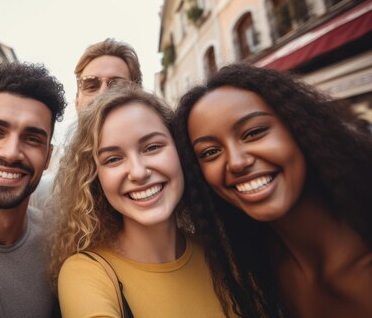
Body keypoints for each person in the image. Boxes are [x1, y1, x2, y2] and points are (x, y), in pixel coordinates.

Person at [174, 63, 372, 318]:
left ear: (299, 127)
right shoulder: (260, 271)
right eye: (210, 152)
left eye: (254, 133)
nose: (236, 162)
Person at [48, 86, 227, 317]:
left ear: (181, 152)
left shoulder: (222, 256)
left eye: (152, 147)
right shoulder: (87, 273)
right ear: (95, 178)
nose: (139, 172)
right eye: (113, 159)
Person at [30, 38, 142, 208]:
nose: (103, 94)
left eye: (117, 85)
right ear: (77, 101)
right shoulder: (41, 197)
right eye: (91, 85)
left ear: (139, 99)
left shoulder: (159, 182)